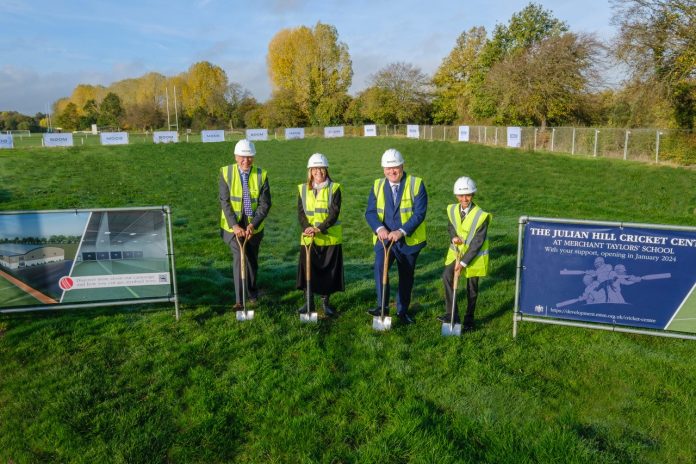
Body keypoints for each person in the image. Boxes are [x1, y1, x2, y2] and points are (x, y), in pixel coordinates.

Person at [365, 148, 427, 324]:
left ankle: (402, 311)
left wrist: (401, 231)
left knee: (406, 276)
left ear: (402, 166)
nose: (392, 171)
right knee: (379, 269)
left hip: (408, 240)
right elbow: (370, 213)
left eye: (396, 167)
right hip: (384, 240)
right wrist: (379, 229)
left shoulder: (416, 184)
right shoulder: (377, 185)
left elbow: (419, 214)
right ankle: (382, 307)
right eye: (388, 168)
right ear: (383, 169)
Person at [219, 139, 271, 310]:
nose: (245, 161)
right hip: (232, 225)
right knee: (239, 258)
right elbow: (225, 202)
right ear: (235, 156)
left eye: (249, 157)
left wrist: (253, 225)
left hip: (253, 224)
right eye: (242, 157)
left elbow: (265, 204)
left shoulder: (261, 174)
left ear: (253, 157)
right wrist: (234, 225)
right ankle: (239, 300)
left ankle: (252, 291)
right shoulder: (226, 173)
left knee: (251, 260)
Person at [439, 176, 491, 331]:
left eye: (468, 195)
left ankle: (469, 319)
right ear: (456, 196)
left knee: (472, 289)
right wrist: (453, 236)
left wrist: (463, 263)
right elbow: (451, 226)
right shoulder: (452, 209)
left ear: (473, 194)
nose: (464, 198)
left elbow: (477, 242)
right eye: (461, 195)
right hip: (455, 253)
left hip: (474, 257)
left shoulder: (481, 216)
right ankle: (452, 315)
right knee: (447, 276)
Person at [296, 153, 345, 316]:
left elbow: (334, 213)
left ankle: (326, 304)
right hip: (308, 237)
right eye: (315, 168)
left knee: (328, 273)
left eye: (322, 168)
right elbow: (301, 212)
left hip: (329, 238)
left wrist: (319, 228)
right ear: (310, 171)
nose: (319, 172)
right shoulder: (302, 189)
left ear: (327, 170)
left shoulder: (335, 188)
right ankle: (308, 303)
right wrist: (308, 228)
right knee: (307, 271)